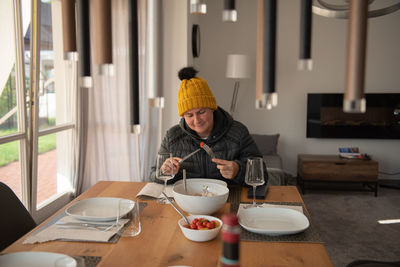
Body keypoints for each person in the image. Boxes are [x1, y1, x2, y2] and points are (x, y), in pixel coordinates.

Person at [150, 67, 267, 185]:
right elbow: (153, 176)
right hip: (186, 201)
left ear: (212, 108)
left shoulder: (238, 132)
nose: (197, 120)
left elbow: (262, 175)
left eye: (201, 112)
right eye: (189, 115)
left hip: (228, 200)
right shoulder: (172, 137)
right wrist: (165, 172)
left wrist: (238, 170)